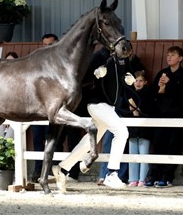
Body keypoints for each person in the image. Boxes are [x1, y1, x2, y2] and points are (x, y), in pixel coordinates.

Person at [52, 46, 136, 191]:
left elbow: (125, 73)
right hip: (96, 103)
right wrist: (95, 75)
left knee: (90, 140)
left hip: (109, 106)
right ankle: (112, 173)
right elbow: (81, 79)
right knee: (122, 132)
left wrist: (129, 78)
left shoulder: (122, 56)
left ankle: (63, 168)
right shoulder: (99, 56)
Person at [145, 46, 183, 188]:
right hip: (160, 115)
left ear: (180, 58)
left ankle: (167, 176)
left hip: (177, 116)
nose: (169, 57)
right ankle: (154, 175)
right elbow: (153, 94)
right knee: (158, 145)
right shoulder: (162, 73)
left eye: (173, 55)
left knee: (173, 146)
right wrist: (160, 88)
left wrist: (169, 85)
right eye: (168, 55)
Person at [97, 51, 144, 186]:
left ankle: (118, 175)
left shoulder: (131, 64)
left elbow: (132, 83)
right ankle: (104, 174)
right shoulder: (107, 61)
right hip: (111, 108)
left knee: (123, 143)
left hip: (123, 110)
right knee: (107, 142)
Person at [30, 33, 59, 182]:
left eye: (50, 45)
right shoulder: (37, 61)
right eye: (45, 45)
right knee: (37, 139)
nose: (47, 48)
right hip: (38, 108)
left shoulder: (59, 64)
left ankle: (52, 170)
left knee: (53, 139)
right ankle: (37, 169)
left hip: (53, 108)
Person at [124, 70, 156, 187]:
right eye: (136, 81)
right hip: (133, 129)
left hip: (144, 129)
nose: (138, 83)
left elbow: (151, 111)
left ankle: (143, 178)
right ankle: (133, 178)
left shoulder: (148, 95)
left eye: (141, 81)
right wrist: (130, 111)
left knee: (143, 154)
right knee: (132, 154)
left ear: (145, 82)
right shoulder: (129, 94)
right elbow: (124, 111)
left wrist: (139, 112)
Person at [0, 51, 18, 139]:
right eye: (7, 61)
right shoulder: (1, 78)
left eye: (12, 61)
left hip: (16, 115)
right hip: (2, 114)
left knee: (9, 142)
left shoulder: (19, 78)